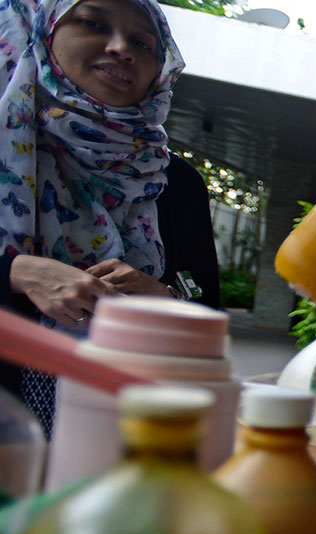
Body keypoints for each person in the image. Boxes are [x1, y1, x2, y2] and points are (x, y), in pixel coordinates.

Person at [0, 0, 219, 434]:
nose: (122, 48)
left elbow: (209, 314)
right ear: (42, 34)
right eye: (92, 22)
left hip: (123, 435)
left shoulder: (176, 182)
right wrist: (18, 272)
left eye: (142, 41)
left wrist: (164, 298)